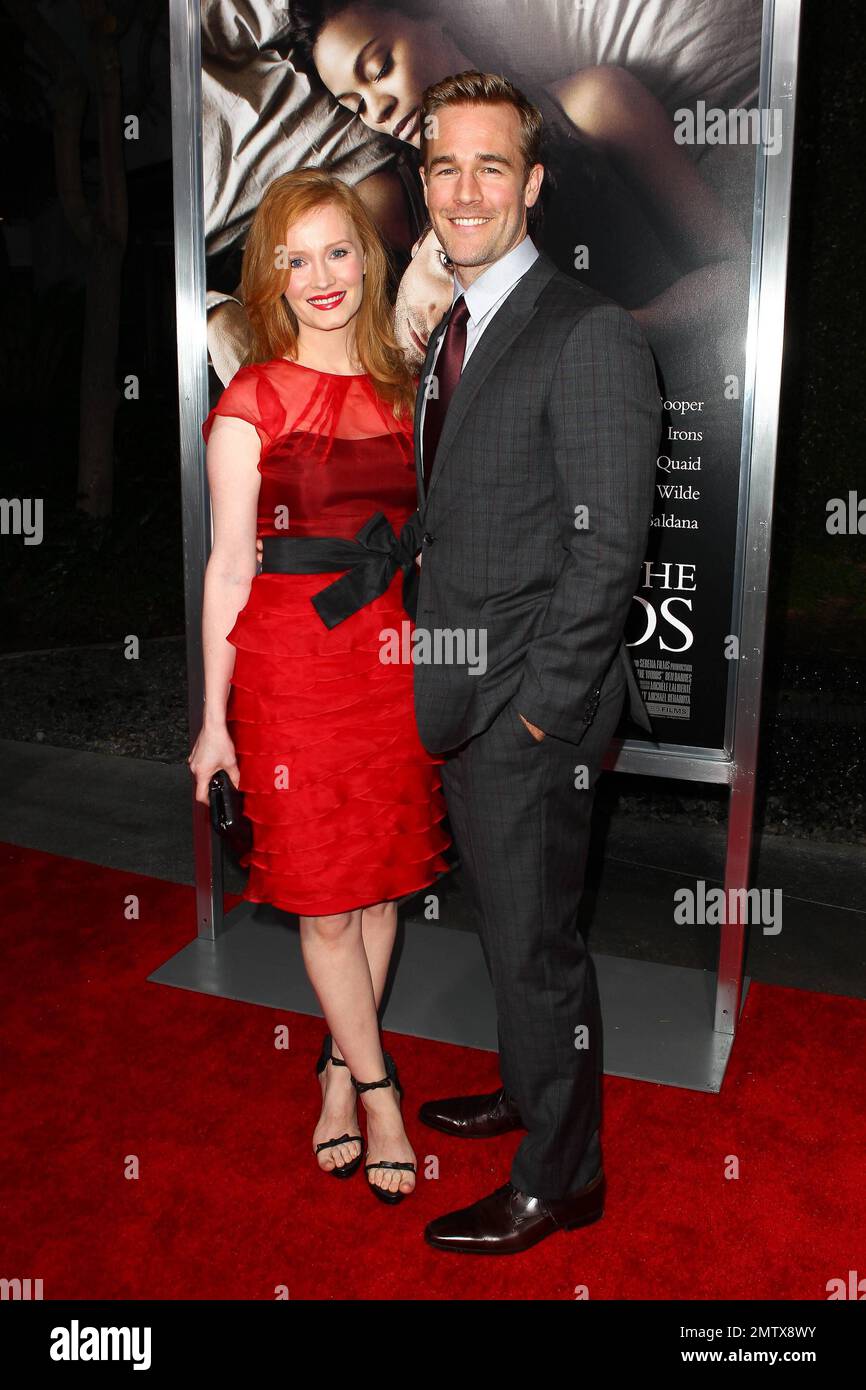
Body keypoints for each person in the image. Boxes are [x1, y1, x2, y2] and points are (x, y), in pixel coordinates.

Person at [410, 72, 662, 1254]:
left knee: (540, 948)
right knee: (507, 930)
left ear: (533, 184)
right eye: (444, 166)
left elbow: (607, 546)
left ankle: (560, 1178)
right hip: (467, 695)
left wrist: (537, 718)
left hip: (529, 716)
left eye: (490, 166)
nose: (466, 189)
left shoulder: (585, 331)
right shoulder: (456, 325)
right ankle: (524, 1090)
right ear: (424, 183)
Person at [188, 168, 450, 1205]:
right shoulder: (250, 399)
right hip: (290, 675)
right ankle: (378, 1084)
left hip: (389, 665)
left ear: (365, 255)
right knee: (324, 899)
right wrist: (212, 724)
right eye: (294, 259)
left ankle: (336, 1065)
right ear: (271, 280)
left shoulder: (403, 386)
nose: (321, 275)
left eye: (336, 249)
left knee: (379, 883)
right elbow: (225, 571)